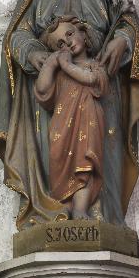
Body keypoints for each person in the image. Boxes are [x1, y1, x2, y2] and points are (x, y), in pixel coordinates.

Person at [0, 0, 139, 229]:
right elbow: (17, 36)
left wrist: (121, 40)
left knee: (94, 157)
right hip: (51, 102)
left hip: (99, 96)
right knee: (56, 157)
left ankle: (101, 220)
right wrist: (36, 54)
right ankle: (55, 212)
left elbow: (129, 24)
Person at [34, 16, 109, 220]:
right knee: (62, 166)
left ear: (83, 35)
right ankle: (64, 208)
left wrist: (66, 65)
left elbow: (94, 80)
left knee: (85, 165)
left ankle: (80, 209)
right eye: (59, 44)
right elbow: (41, 90)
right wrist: (51, 64)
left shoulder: (94, 66)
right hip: (62, 128)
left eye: (69, 34)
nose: (66, 42)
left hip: (89, 122)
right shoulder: (58, 72)